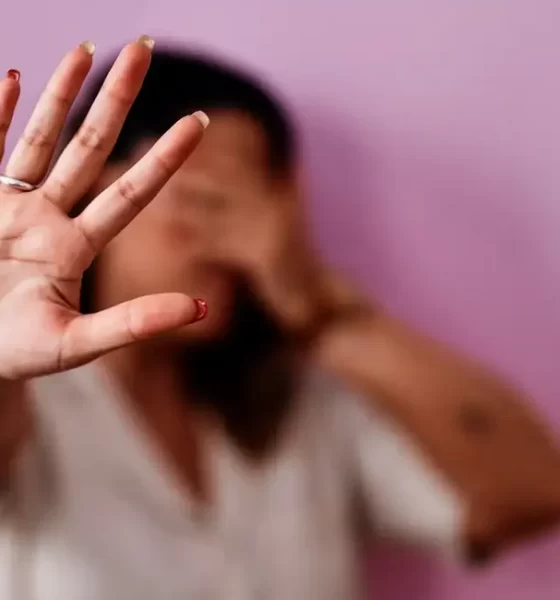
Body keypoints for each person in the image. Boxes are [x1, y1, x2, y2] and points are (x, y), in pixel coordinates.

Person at [0, 36, 559, 600]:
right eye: (209, 200)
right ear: (101, 181)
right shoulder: (30, 398)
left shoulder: (303, 405)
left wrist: (317, 307)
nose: (236, 245)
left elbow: (535, 489)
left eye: (257, 209)